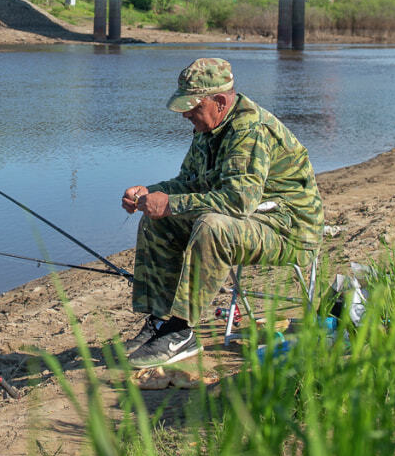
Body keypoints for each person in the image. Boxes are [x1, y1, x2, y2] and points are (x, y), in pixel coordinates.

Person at [120, 58, 324, 367]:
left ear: (219, 101)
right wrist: (150, 193)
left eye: (193, 106)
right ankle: (161, 320)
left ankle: (182, 332)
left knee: (211, 226)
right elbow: (188, 182)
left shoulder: (250, 130)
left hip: (288, 229)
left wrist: (171, 203)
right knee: (156, 221)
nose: (187, 114)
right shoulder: (209, 124)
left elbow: (236, 202)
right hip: (254, 219)